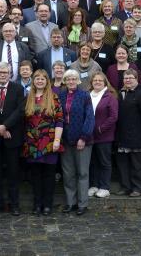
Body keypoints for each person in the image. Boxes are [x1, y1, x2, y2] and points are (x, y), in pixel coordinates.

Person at [0, 62, 26, 216]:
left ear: (10, 73)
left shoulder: (18, 89)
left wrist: (6, 126)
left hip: (12, 137)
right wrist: (0, 128)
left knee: (13, 173)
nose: (2, 74)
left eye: (5, 72)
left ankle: (14, 205)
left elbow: (20, 111)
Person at [22, 69, 64, 215]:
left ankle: (47, 205)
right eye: (37, 78)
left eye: (43, 79)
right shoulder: (28, 97)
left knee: (48, 176)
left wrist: (57, 140)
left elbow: (59, 120)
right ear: (33, 81)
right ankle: (37, 204)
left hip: (50, 142)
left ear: (47, 81)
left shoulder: (53, 97)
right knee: (35, 176)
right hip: (32, 143)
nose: (40, 81)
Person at [58, 69, 95, 214]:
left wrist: (83, 137)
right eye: (68, 79)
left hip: (82, 140)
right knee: (68, 173)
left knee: (82, 173)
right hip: (66, 140)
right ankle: (70, 202)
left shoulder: (84, 95)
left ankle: (82, 204)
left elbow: (90, 117)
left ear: (78, 80)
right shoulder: (61, 96)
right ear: (65, 81)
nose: (71, 81)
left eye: (73, 79)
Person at [114, 68, 141, 197]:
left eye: (131, 78)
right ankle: (125, 187)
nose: (128, 80)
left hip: (137, 135)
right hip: (122, 135)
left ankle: (137, 188)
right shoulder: (121, 93)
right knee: (123, 164)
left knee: (136, 165)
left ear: (136, 79)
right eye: (126, 78)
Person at [88, 72, 118, 199]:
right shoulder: (88, 95)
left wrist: (100, 129)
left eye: (100, 80)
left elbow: (113, 117)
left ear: (105, 82)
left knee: (104, 162)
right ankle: (94, 185)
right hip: (90, 136)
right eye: (95, 80)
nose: (97, 82)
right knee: (93, 162)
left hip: (104, 136)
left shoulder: (110, 96)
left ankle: (104, 187)